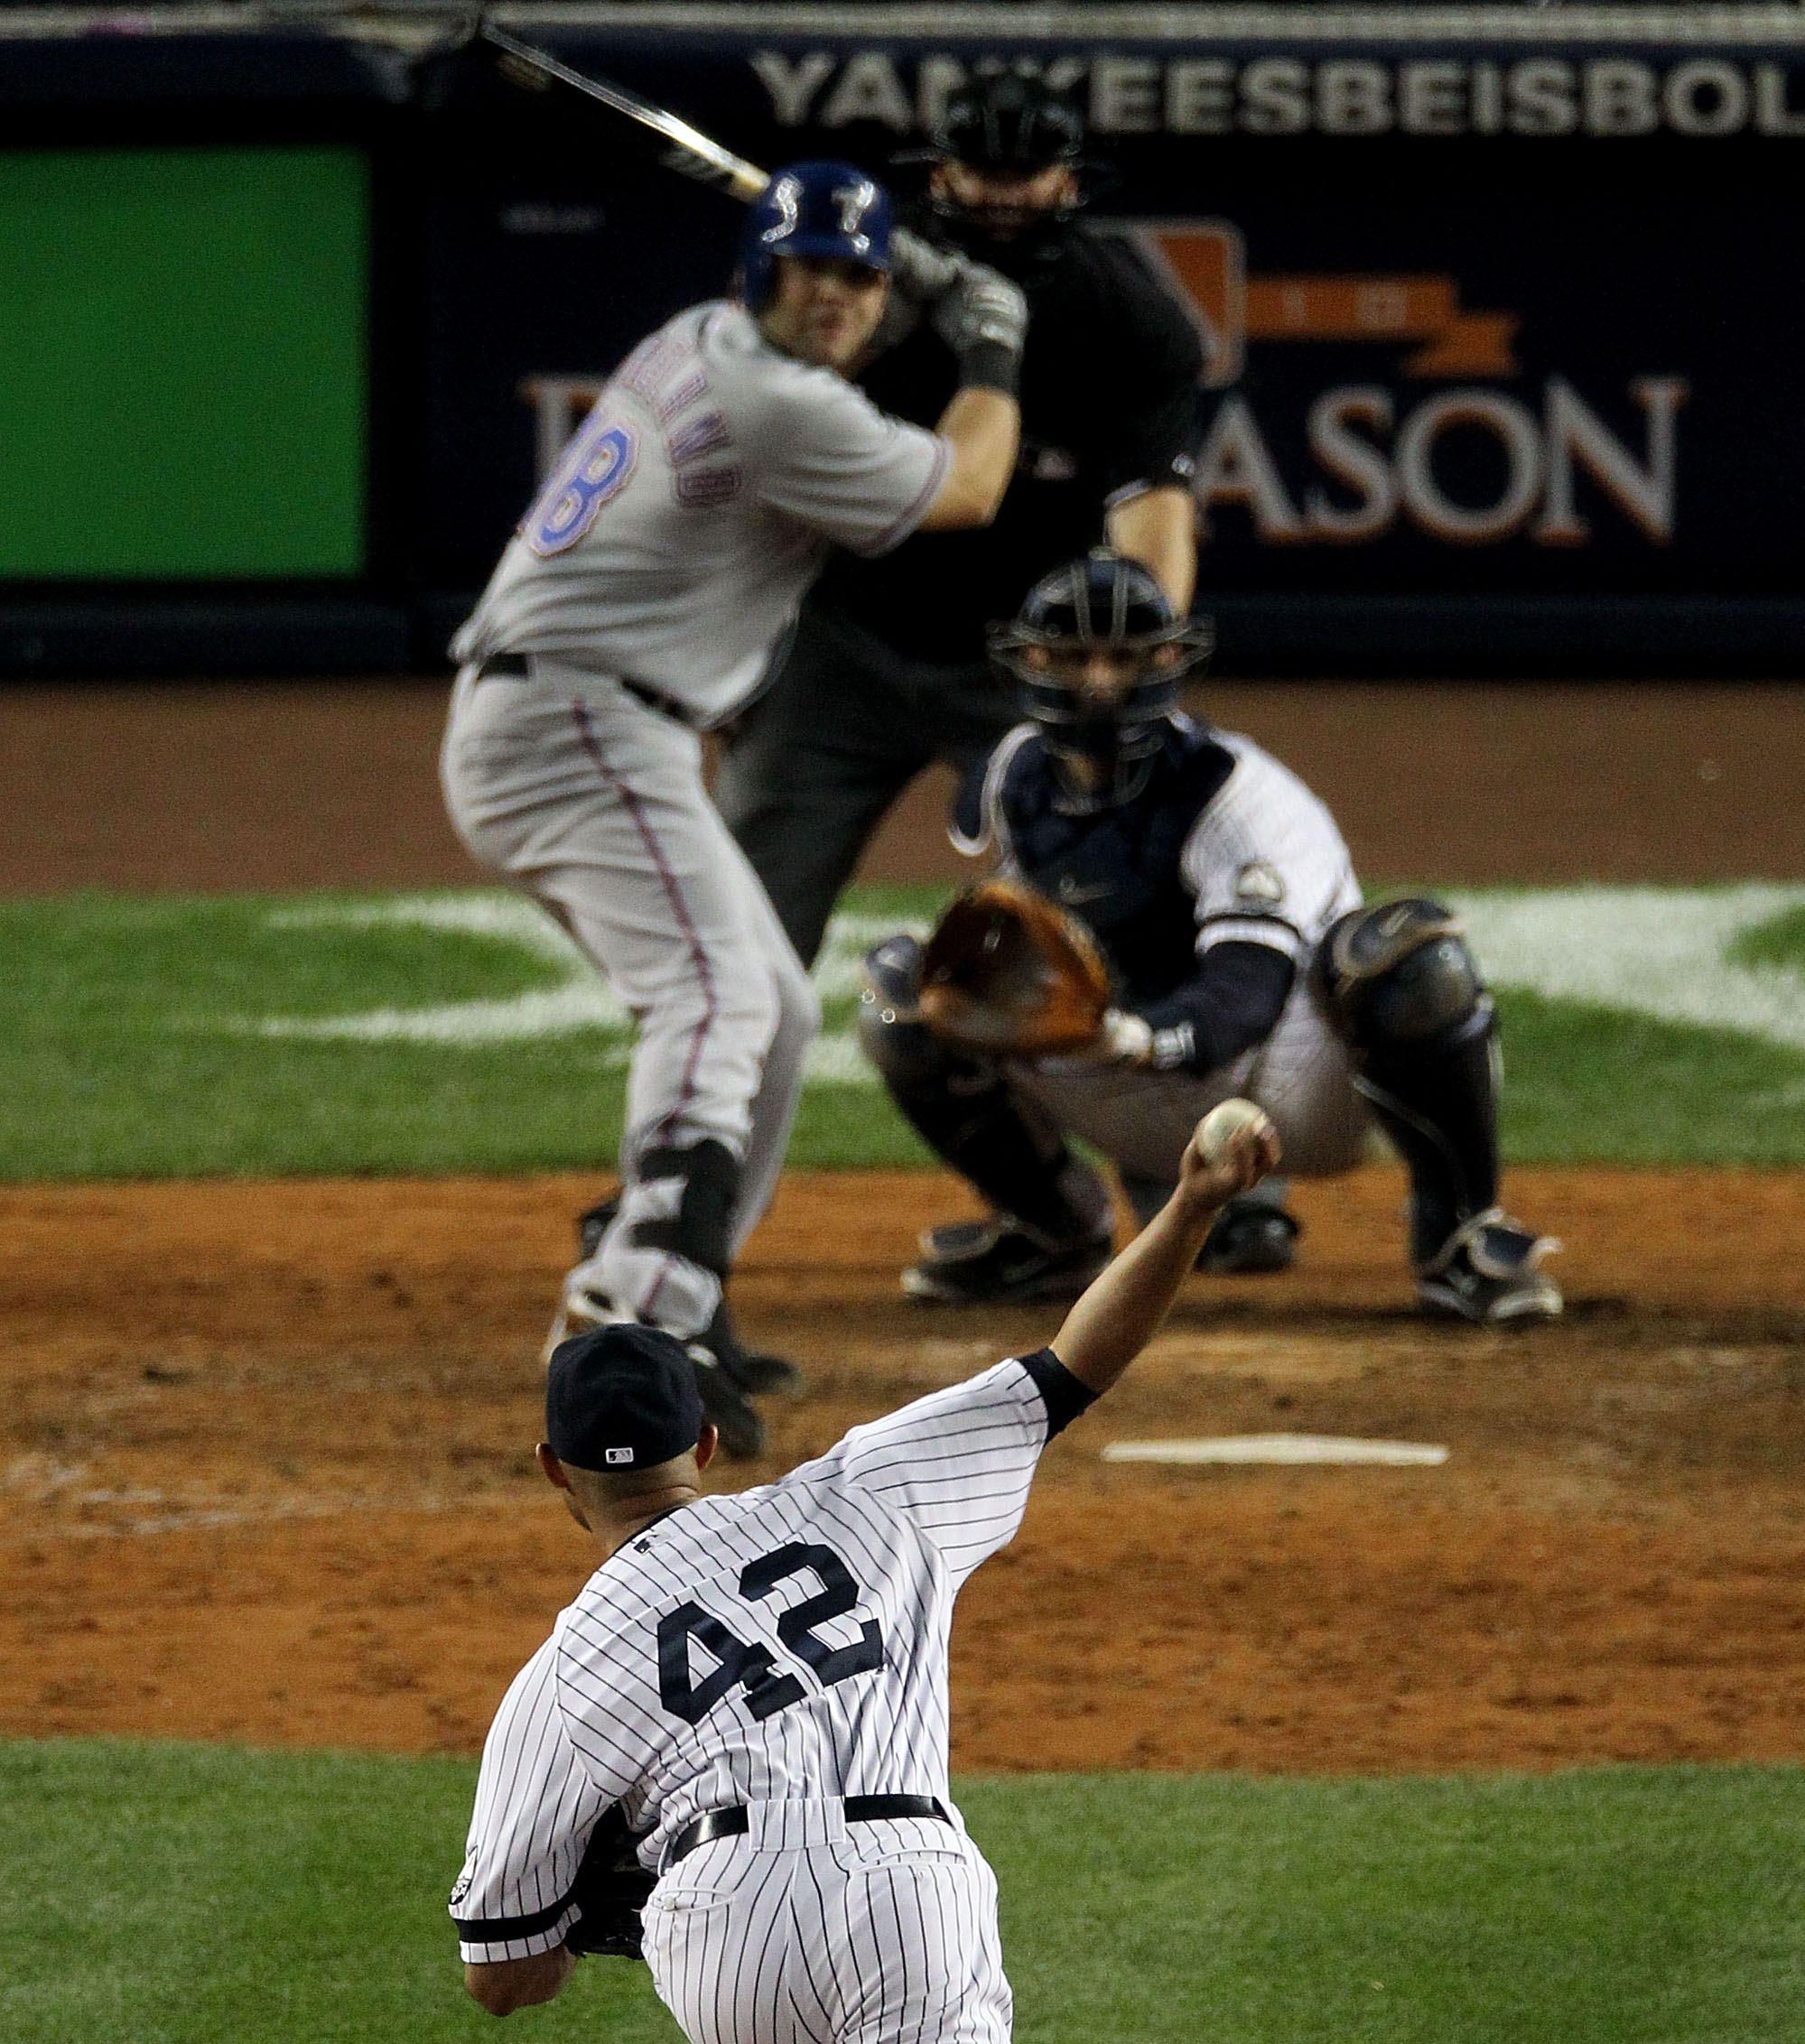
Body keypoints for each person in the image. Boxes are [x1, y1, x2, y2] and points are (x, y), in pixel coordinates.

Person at [450, 1106, 1281, 2044]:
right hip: (905, 1879)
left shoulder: (565, 1664)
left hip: (717, 1933)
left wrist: (601, 1919)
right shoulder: (868, 1486)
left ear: (551, 1474)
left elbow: (497, 1974)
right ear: (710, 1437)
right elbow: (1074, 1360)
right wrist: (1193, 1199)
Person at [439, 159, 1027, 1456]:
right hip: (575, 723)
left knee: (769, 1004)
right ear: (759, 273)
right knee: (714, 997)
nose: (835, 296)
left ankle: (684, 1305)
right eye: (813, 268)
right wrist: (987, 339)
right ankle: (632, 1308)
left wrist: (905, 303)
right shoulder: (771, 402)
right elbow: (970, 486)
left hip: (575, 717)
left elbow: (845, 405)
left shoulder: (694, 341)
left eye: (858, 275)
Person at [858, 552, 1564, 1325]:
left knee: (1406, 960)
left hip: (1278, 1090)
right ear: (1028, 660)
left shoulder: (1237, 794)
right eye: (1072, 657)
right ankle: (1050, 1233)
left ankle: (1458, 1237)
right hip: (1110, 1079)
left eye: (1123, 658)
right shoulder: (1013, 774)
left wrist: (1130, 1036)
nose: (1098, 682)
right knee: (903, 996)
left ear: (1168, 659)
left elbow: (1247, 991)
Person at [712, 72, 1205, 974]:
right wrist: (726, 641)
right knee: (739, 941)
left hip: (1020, 667)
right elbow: (755, 443)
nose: (1003, 195)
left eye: (1025, 174)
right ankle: (709, 1114)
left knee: (1110, 935)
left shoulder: (1131, 320)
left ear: (1068, 179)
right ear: (940, 175)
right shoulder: (858, 284)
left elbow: (1153, 511)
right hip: (839, 645)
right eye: (982, 171)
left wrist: (1135, 659)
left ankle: (1137, 1091)